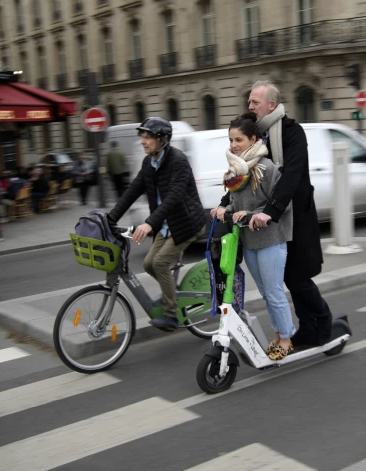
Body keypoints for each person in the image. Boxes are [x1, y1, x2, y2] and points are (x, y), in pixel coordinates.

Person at [213, 80, 333, 347]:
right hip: (267, 218)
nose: (250, 105)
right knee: (284, 281)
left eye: (255, 102)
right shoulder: (254, 135)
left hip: (294, 215)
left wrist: (271, 211)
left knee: (297, 278)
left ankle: (323, 320)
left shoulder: (291, 132)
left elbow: (291, 175)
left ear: (272, 105)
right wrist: (224, 204)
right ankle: (304, 328)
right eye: (250, 102)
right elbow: (240, 179)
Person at [107, 117, 206, 332]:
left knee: (160, 263)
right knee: (148, 264)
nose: (143, 141)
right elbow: (133, 190)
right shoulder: (148, 163)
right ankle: (172, 294)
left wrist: (149, 224)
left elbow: (175, 196)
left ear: (162, 140)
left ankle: (171, 316)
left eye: (148, 137)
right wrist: (110, 218)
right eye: (142, 136)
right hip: (166, 224)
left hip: (186, 223)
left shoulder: (177, 161)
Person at [216, 112, 295, 360]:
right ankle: (278, 332)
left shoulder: (266, 168)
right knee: (264, 292)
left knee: (273, 291)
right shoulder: (234, 171)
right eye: (231, 140)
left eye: (239, 140)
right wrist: (223, 210)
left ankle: (286, 337)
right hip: (249, 241)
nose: (233, 145)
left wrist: (251, 213)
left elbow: (281, 205)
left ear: (253, 139)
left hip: (271, 239)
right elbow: (235, 202)